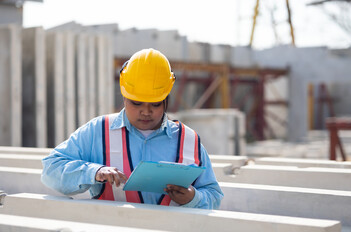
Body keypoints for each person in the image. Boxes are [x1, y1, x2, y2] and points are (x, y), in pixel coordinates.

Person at [41, 48, 223, 209]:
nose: (146, 111)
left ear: (166, 98)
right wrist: (93, 172)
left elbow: (214, 196)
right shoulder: (98, 131)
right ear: (124, 95)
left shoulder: (188, 140)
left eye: (155, 104)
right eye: (136, 103)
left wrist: (193, 198)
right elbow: (50, 170)